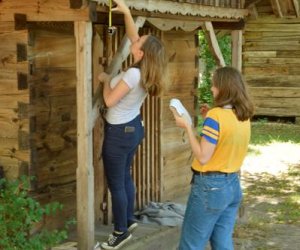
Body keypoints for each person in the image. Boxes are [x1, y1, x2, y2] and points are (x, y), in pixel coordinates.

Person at [98, 0, 167, 249]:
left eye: (138, 42)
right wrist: (126, 11)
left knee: (116, 183)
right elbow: (132, 34)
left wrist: (106, 78)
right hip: (134, 128)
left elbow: (108, 100)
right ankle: (128, 219)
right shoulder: (147, 70)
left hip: (119, 133)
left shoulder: (133, 74)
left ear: (140, 52)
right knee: (125, 176)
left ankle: (120, 232)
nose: (134, 40)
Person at [172, 66, 254, 250]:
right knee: (222, 243)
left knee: (190, 246)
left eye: (214, 85)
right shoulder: (243, 115)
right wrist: (206, 118)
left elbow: (202, 156)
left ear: (224, 88)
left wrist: (188, 127)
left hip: (210, 188)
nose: (212, 89)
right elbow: (221, 144)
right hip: (232, 185)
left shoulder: (216, 116)